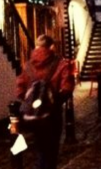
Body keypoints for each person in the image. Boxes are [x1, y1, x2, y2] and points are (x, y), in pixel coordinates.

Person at [16, 35, 75, 169]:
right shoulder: (60, 64)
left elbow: (19, 89)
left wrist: (31, 101)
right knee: (52, 151)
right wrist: (54, 102)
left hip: (34, 116)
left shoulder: (28, 65)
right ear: (51, 47)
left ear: (36, 46)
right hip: (52, 115)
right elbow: (67, 87)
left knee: (40, 149)